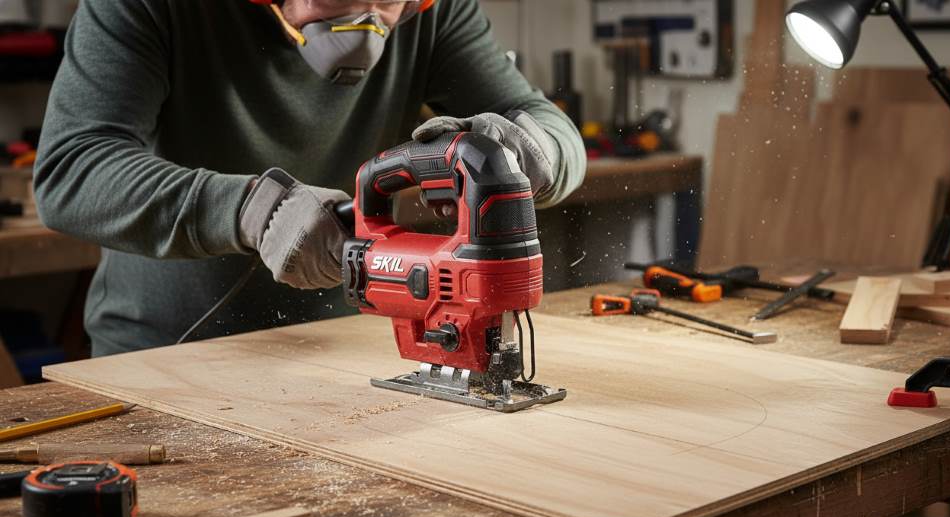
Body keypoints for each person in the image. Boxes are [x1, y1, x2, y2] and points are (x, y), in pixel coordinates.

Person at [33, 0, 585, 356]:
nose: (369, 24)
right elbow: (72, 169)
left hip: (337, 345)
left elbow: (543, 122)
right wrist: (252, 209)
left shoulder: (432, 12)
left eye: (388, 3)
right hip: (165, 350)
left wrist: (529, 153)